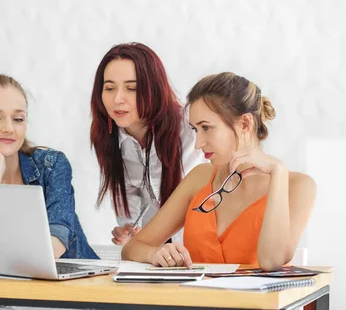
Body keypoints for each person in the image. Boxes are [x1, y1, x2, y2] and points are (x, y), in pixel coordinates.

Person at [122, 72, 317, 271]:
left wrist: (278, 172)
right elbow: (131, 248)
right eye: (195, 130)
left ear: (245, 123)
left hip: (257, 303)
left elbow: (272, 261)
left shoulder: (297, 185)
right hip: (195, 301)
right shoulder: (199, 178)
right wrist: (155, 253)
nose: (198, 144)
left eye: (206, 128)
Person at [0, 74, 97, 310]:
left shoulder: (51, 165)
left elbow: (55, 244)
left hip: (70, 299)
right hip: (1, 301)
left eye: (18, 118)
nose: (9, 128)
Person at [90, 42, 205, 245]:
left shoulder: (189, 126)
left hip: (202, 249)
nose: (118, 99)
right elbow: (130, 202)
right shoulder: (108, 137)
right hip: (157, 255)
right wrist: (130, 230)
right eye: (109, 88)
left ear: (154, 89)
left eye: (131, 88)